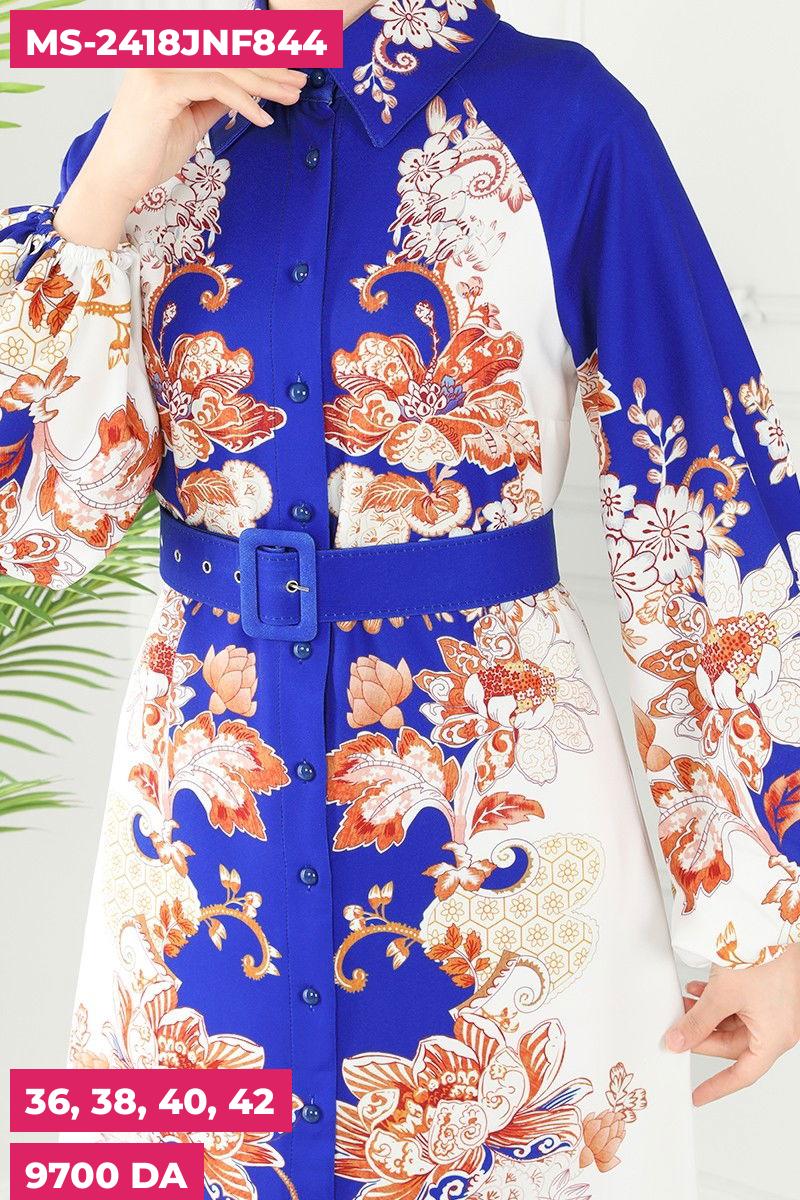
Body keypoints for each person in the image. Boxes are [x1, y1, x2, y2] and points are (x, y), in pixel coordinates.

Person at [2, 0, 800, 1195]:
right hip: (192, 845)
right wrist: (111, 179)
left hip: (497, 839)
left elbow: (696, 500)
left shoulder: (566, 120)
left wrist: (760, 910)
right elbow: (39, 535)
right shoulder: (143, 131)